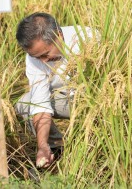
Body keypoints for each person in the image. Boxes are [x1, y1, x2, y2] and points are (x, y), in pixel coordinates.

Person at [15, 12, 94, 168]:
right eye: (38, 57)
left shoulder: (88, 38)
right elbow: (40, 103)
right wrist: (42, 144)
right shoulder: (34, 58)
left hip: (97, 98)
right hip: (68, 100)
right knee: (25, 104)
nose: (43, 61)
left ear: (58, 34)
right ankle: (54, 150)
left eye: (46, 54)